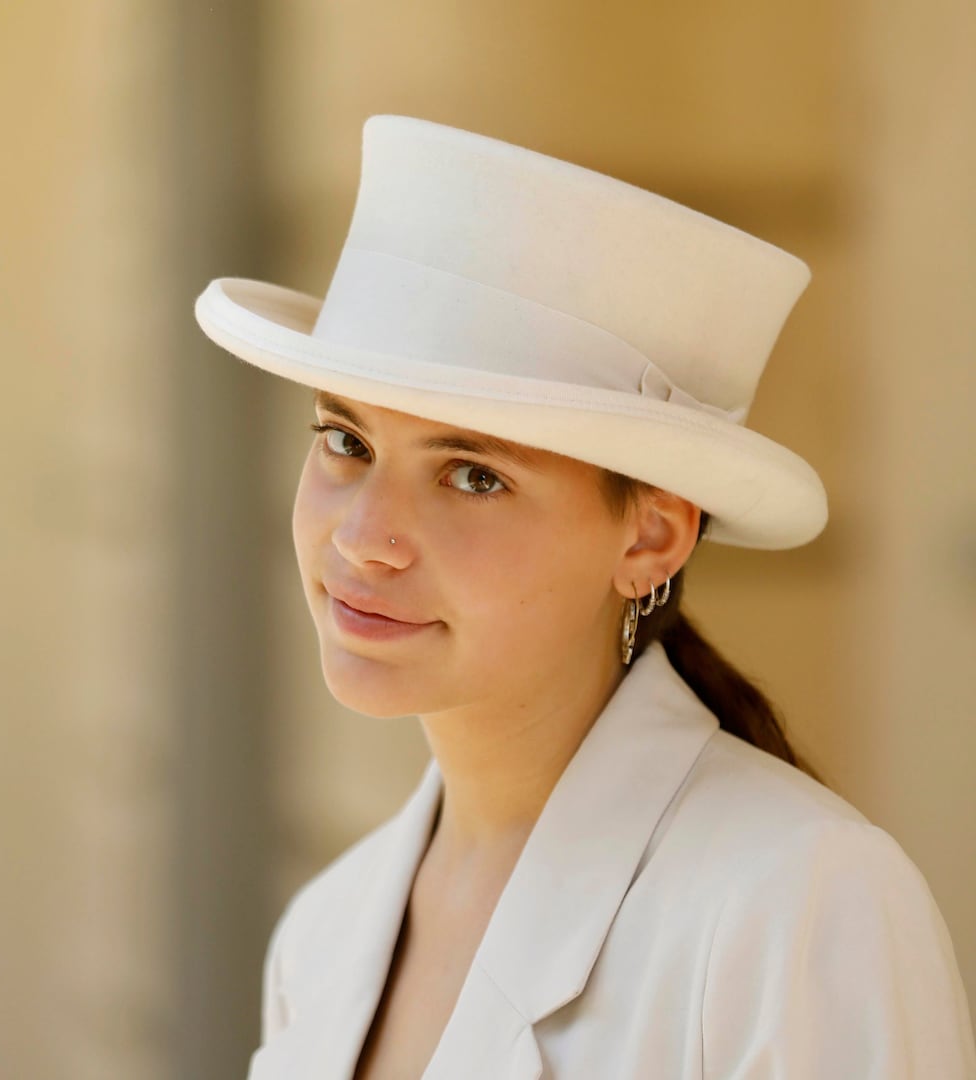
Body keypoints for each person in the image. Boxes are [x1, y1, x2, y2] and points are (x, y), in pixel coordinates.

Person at [194, 115, 976, 1079]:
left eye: (472, 475)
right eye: (346, 443)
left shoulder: (796, 900)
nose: (363, 539)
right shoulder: (323, 935)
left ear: (651, 534)